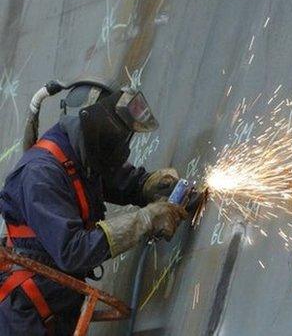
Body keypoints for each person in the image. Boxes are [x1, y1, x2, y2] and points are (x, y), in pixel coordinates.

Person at [0, 79, 188, 335]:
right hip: (26, 316)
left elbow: (108, 178)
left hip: (56, 299)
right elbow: (72, 250)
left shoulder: (78, 152)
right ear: (95, 129)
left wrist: (147, 184)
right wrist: (143, 220)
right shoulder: (40, 176)